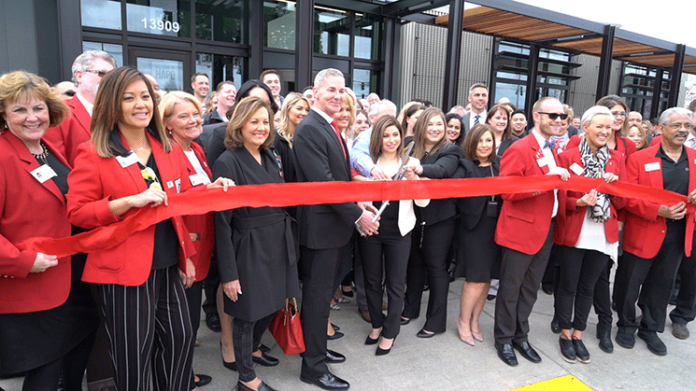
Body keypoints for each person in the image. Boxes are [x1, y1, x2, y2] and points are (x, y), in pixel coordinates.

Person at [66, 67, 233, 391]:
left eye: (145, 96)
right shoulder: (95, 152)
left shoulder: (165, 147)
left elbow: (180, 199)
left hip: (169, 263)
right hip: (124, 271)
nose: (141, 104)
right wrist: (126, 202)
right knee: (133, 354)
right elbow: (78, 212)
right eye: (129, 98)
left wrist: (212, 188)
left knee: (181, 340)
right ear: (113, 104)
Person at [0, 70, 98, 391]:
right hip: (33, 283)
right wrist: (23, 261)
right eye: (20, 110)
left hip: (73, 278)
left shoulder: (45, 149)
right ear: (3, 113)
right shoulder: (3, 155)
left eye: (38, 108)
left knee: (77, 346)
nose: (32, 117)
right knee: (45, 368)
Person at [293, 68, 379, 391]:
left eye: (342, 91)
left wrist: (361, 201)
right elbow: (325, 185)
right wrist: (359, 217)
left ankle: (317, 350)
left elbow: (341, 178)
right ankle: (312, 368)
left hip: (334, 228)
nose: (337, 96)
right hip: (320, 231)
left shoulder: (328, 127)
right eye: (331, 90)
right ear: (314, 93)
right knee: (316, 299)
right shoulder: (310, 129)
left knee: (322, 296)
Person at [214, 96, 299, 391]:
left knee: (274, 303)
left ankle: (252, 349)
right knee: (248, 314)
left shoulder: (270, 155)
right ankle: (246, 378)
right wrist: (229, 273)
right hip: (248, 246)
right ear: (240, 124)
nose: (261, 127)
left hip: (277, 242)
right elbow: (221, 224)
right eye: (254, 122)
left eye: (265, 122)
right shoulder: (227, 161)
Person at [493, 97, 570, 367]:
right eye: (553, 115)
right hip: (520, 229)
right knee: (511, 288)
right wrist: (546, 183)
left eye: (562, 116)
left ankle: (520, 335)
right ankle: (503, 338)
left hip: (546, 229)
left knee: (530, 289)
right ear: (537, 116)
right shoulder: (520, 147)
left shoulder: (554, 149)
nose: (559, 120)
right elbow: (508, 190)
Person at [614, 107, 696, 356]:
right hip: (644, 230)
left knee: (662, 284)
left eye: (686, 125)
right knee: (630, 283)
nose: (683, 130)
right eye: (676, 125)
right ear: (660, 128)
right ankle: (626, 325)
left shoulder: (694, 157)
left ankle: (650, 329)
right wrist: (658, 211)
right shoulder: (640, 159)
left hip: (678, 234)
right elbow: (626, 198)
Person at [553, 106, 626, 364]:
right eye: (600, 126)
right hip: (575, 229)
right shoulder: (566, 156)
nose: (605, 131)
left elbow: (624, 200)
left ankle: (578, 333)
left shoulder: (617, 159)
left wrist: (614, 186)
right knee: (568, 285)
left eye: (609, 127)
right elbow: (560, 199)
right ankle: (564, 332)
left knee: (588, 286)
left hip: (602, 233)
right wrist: (579, 203)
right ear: (585, 127)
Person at [159, 91, 215, 389]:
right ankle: (179, 377)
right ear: (167, 123)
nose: (193, 119)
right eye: (184, 116)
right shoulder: (167, 153)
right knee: (181, 321)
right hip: (187, 249)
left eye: (195, 113)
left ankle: (183, 370)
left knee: (190, 317)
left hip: (204, 244)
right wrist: (185, 258)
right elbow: (174, 205)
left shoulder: (197, 148)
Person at [361, 116, 428, 355]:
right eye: (385, 135)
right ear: (377, 138)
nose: (391, 140)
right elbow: (357, 196)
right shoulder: (368, 162)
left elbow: (423, 201)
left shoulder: (410, 163)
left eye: (395, 135)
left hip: (400, 231)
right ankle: (377, 324)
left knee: (396, 284)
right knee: (371, 280)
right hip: (372, 229)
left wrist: (415, 181)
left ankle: (390, 332)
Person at [401, 108, 460, 338]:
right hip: (413, 216)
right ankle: (410, 309)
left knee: (436, 269)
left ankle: (435, 322)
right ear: (421, 126)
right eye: (431, 124)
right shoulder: (409, 146)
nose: (436, 128)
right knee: (414, 264)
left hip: (440, 219)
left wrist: (419, 169)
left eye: (439, 124)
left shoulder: (450, 150)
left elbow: (442, 170)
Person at [453, 124, 502, 346]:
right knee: (475, 280)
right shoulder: (464, 166)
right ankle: (463, 321)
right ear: (472, 142)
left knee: (487, 279)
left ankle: (475, 320)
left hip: (496, 229)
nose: (484, 145)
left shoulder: (500, 165)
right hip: (473, 230)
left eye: (488, 141)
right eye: (480, 141)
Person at [44, 50, 117, 165]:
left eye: (112, 76)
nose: (108, 80)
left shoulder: (118, 114)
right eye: (102, 73)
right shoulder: (59, 112)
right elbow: (57, 163)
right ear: (79, 75)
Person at [349, 99, 398, 179]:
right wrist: (373, 169)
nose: (390, 121)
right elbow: (358, 155)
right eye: (385, 117)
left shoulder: (398, 137)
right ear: (371, 118)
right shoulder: (365, 138)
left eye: (393, 118)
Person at [273, 92, 311, 186]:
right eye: (299, 108)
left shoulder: (309, 139)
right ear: (287, 109)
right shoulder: (276, 138)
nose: (304, 113)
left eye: (307, 110)